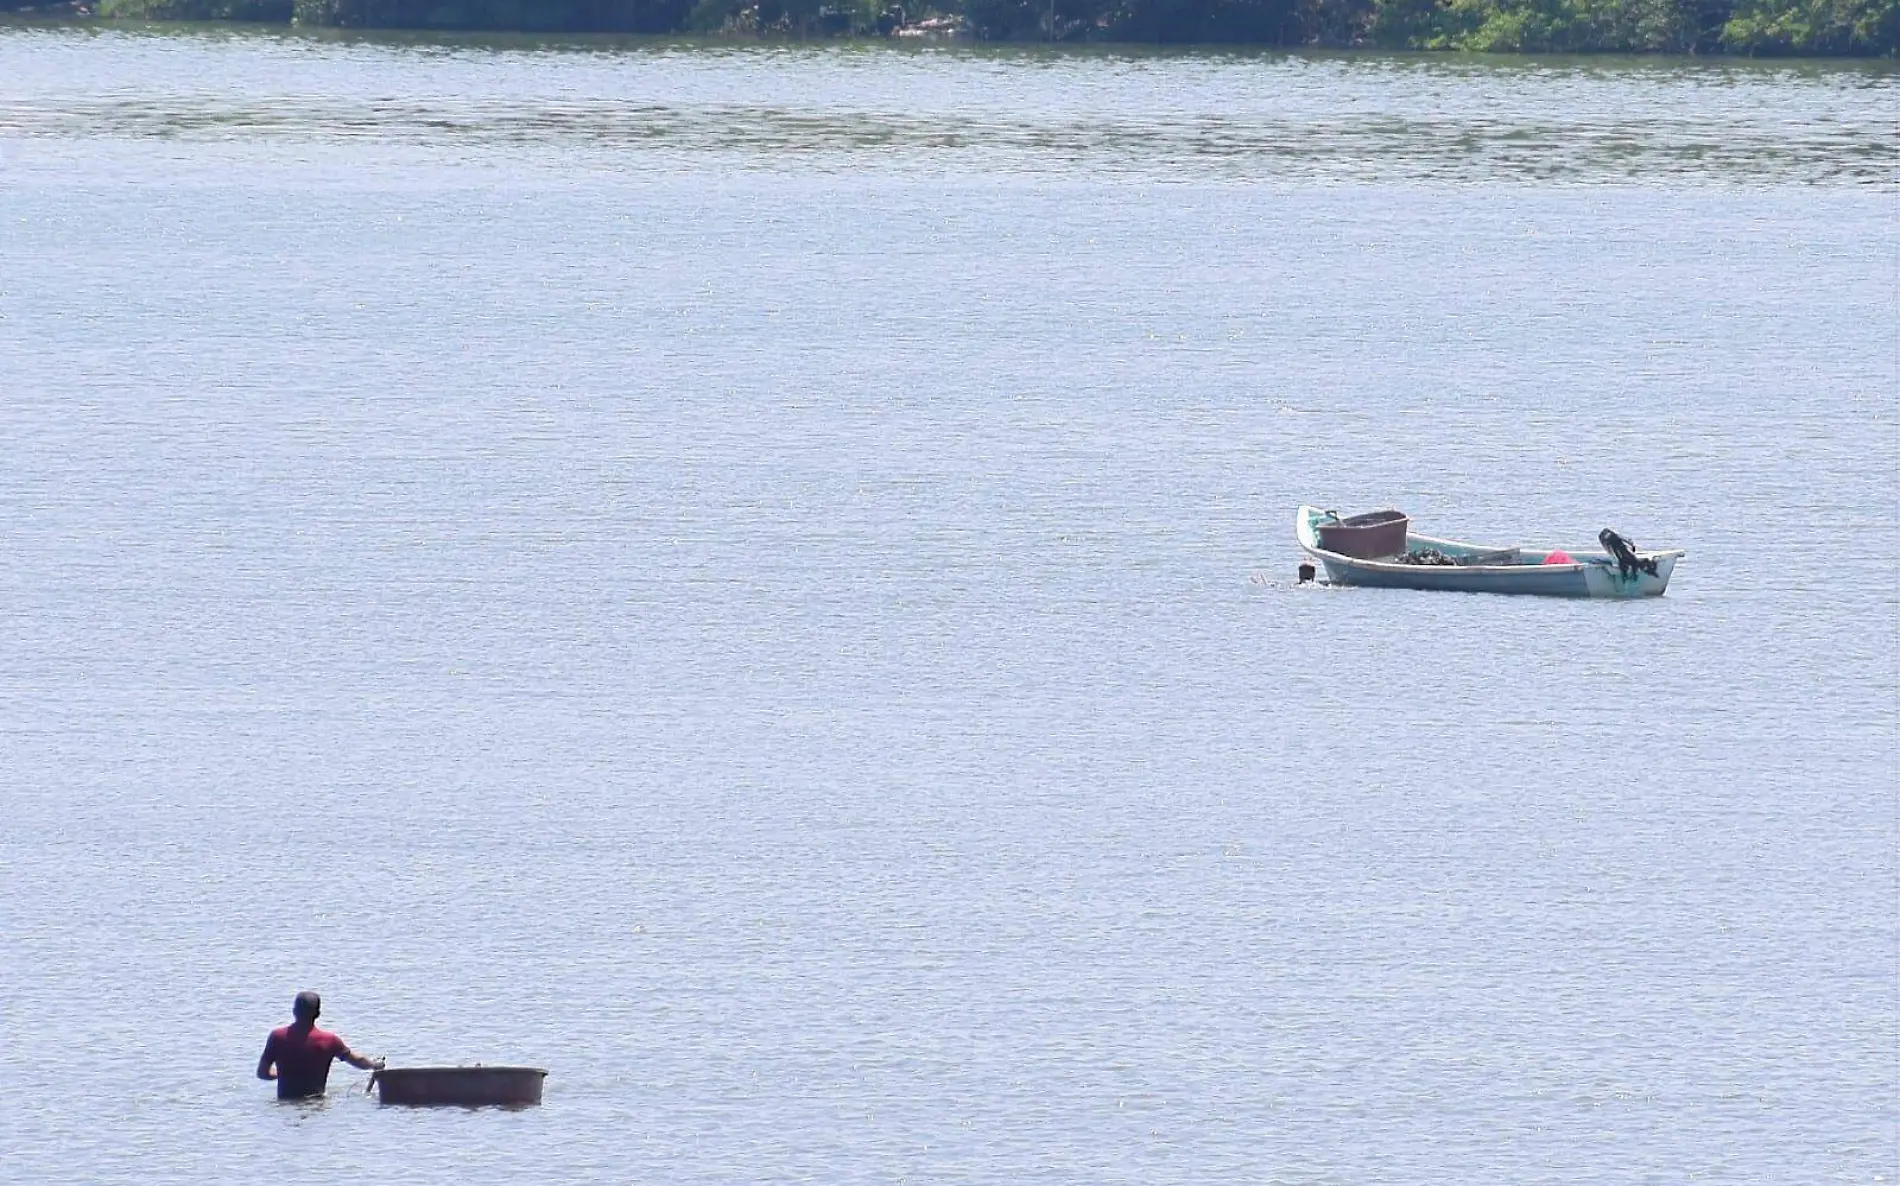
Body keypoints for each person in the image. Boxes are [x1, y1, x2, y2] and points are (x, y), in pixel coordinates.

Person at [257, 991, 382, 1099]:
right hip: (317, 1103)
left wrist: (285, 1073)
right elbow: (358, 1061)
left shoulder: (277, 1037)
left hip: (285, 1104)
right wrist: (375, 1064)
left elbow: (263, 1073)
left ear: (294, 1011)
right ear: (318, 1014)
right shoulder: (329, 1040)